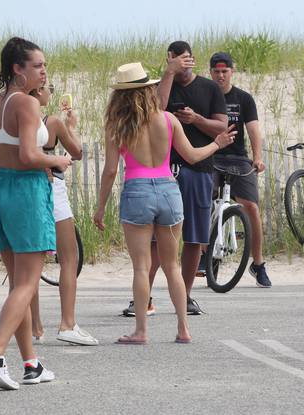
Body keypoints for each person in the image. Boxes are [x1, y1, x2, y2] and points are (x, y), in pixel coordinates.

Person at [93, 62, 235, 344]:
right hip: (169, 190)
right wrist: (217, 143)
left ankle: (141, 331)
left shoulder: (118, 126)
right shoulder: (168, 119)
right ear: (148, 90)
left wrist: (100, 208)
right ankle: (183, 329)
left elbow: (110, 171)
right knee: (172, 266)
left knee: (140, 267)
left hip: (137, 191)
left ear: (121, 95)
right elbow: (193, 156)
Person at [0, 37, 72, 390]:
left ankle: (32, 364)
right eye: (38, 66)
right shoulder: (26, 105)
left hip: (3, 190)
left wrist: (13, 161)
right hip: (27, 192)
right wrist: (56, 160)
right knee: (27, 284)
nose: (44, 72)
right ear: (18, 69)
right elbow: (30, 155)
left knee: (19, 286)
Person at [121, 40, 228, 317]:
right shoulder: (159, 85)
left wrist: (196, 120)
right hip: (165, 172)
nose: (184, 63)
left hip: (198, 169)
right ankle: (143, 299)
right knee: (156, 241)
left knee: (193, 237)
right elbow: (157, 108)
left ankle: (186, 296)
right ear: (170, 58)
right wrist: (168, 73)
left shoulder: (209, 88)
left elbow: (221, 126)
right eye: (178, 59)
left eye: (187, 59)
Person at [28, 83, 99, 346]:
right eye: (48, 88)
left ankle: (35, 326)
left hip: (25, 186)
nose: (51, 93)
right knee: (69, 257)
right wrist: (71, 126)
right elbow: (77, 152)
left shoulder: (15, 118)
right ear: (38, 92)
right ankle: (67, 323)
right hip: (52, 189)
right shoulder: (53, 122)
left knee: (31, 260)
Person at [208, 52, 271, 288]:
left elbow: (253, 128)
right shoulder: (205, 94)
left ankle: (258, 263)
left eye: (225, 71)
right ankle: (207, 254)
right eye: (216, 71)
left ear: (232, 72)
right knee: (203, 202)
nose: (221, 76)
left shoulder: (243, 98)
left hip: (237, 158)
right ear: (210, 72)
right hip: (210, 156)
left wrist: (257, 158)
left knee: (252, 207)